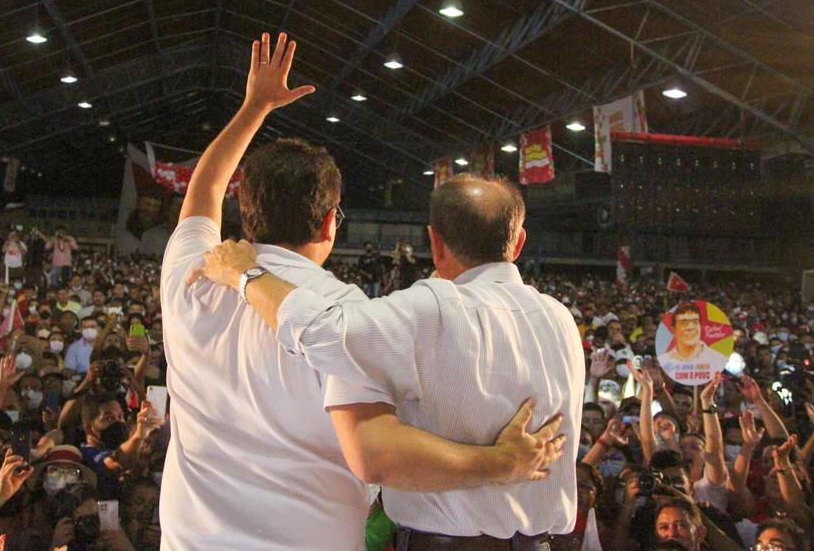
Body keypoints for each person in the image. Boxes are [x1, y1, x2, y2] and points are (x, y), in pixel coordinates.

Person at [160, 32, 567, 551]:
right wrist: (499, 463)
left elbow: (204, 187)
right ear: (332, 222)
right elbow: (377, 453)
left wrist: (254, 107)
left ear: (247, 212)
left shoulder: (191, 275)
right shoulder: (348, 311)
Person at [190, 170, 584, 547]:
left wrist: (244, 273)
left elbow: (320, 331)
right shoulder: (560, 318)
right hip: (545, 543)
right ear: (518, 244)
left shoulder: (430, 309)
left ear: (435, 243)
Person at [658, 303, 728, 373]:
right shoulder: (664, 362)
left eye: (695, 322)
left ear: (700, 327)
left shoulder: (718, 360)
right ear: (673, 330)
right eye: (683, 323)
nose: (690, 327)